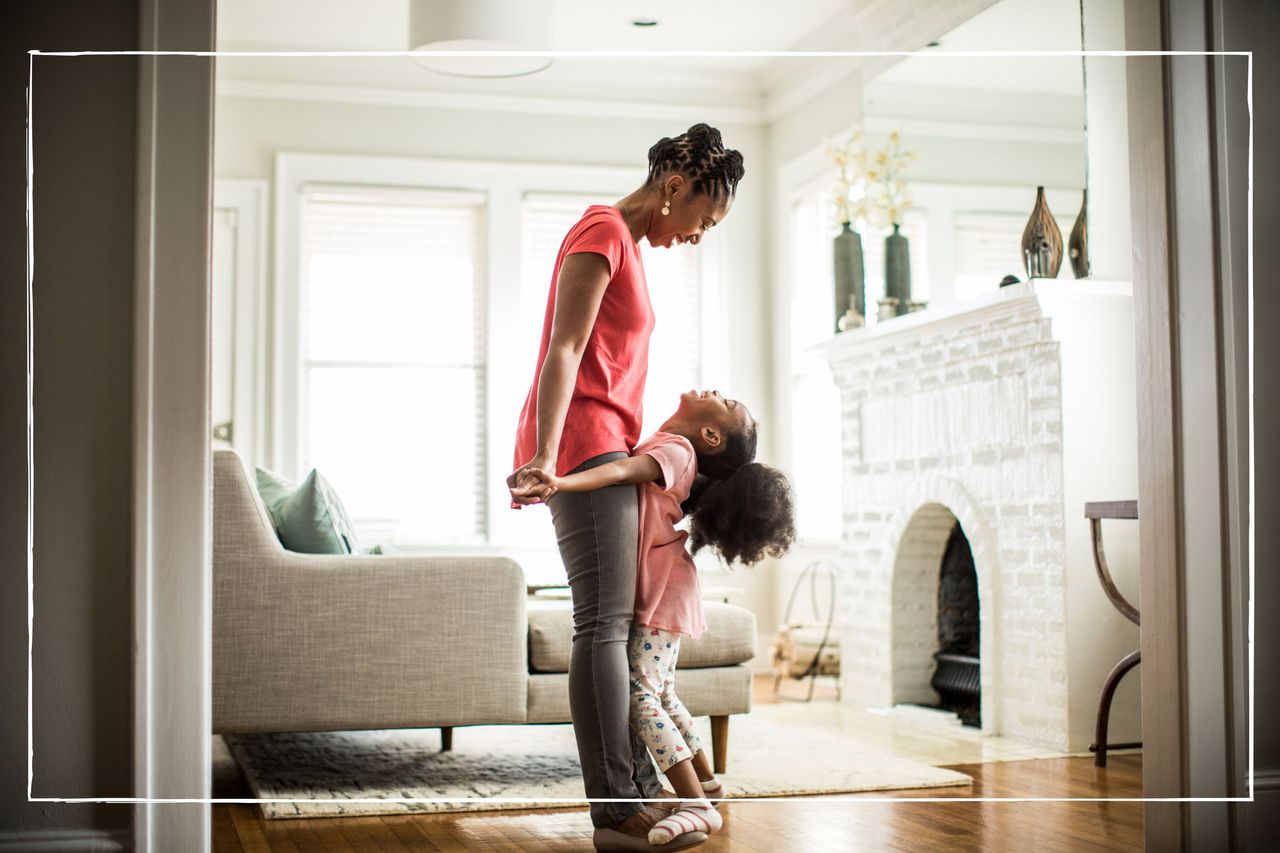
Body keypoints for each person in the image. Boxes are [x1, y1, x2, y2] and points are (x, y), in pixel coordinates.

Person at [508, 125, 745, 853]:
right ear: (675, 187)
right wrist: (550, 455)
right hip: (582, 446)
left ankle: (631, 791)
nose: (699, 235)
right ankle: (617, 803)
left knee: (608, 626)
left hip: (600, 444)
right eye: (704, 219)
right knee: (603, 628)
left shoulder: (628, 247)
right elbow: (565, 347)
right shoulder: (603, 228)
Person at [519, 389, 797, 847]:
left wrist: (560, 481)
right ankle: (706, 783)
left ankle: (697, 806)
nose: (716, 393)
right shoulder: (675, 446)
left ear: (709, 435)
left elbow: (623, 470)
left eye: (726, 403)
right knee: (661, 693)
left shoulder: (677, 449)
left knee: (639, 696)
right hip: (670, 586)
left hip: (665, 588)